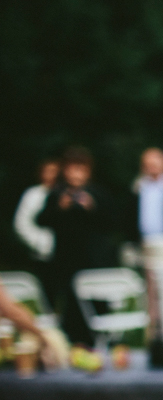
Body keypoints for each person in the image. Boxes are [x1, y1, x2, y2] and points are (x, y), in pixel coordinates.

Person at [36, 146, 115, 345]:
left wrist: (93, 208)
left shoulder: (98, 193)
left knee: (96, 301)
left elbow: (112, 223)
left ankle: (100, 341)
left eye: (80, 169)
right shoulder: (56, 195)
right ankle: (74, 342)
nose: (76, 174)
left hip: (93, 260)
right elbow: (41, 220)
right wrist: (59, 208)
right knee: (71, 305)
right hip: (66, 262)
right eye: (72, 169)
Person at [12, 159, 58, 266]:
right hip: (41, 256)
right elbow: (21, 224)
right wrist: (40, 244)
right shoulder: (32, 194)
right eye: (48, 171)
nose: (53, 175)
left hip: (69, 256)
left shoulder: (66, 193)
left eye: (55, 171)